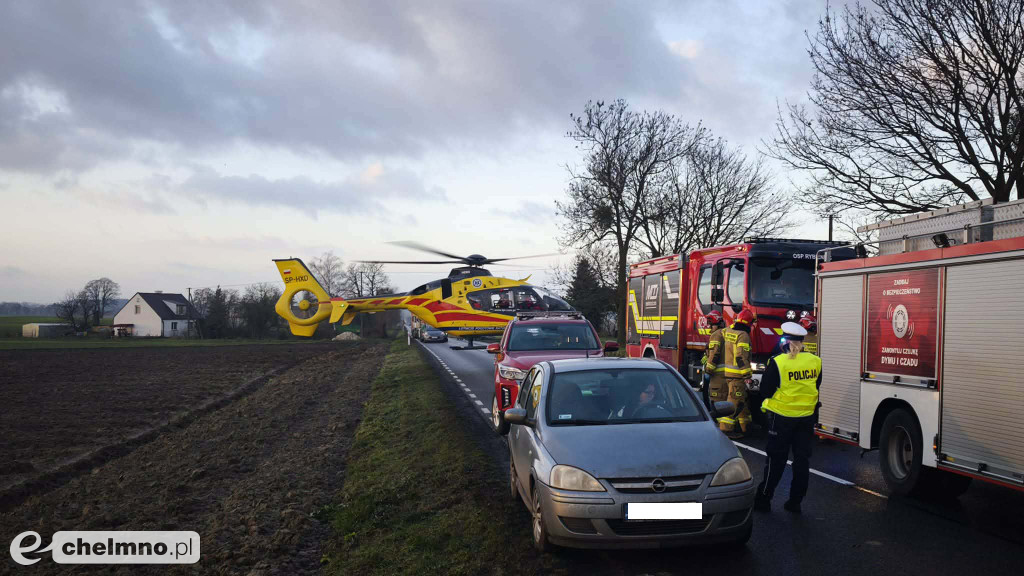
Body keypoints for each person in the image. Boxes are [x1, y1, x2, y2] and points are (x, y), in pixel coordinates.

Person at [754, 322, 822, 514]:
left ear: (784, 341)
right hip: (806, 418)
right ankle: (795, 502)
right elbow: (816, 385)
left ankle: (764, 500)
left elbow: (765, 390)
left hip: (782, 418)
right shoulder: (815, 361)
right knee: (802, 461)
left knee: (776, 460)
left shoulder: (778, 362)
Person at [719, 309, 755, 438]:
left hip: (724, 373)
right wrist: (747, 375)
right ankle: (726, 429)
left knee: (741, 400)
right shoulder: (743, 335)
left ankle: (746, 426)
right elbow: (741, 357)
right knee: (734, 402)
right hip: (737, 375)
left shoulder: (727, 331)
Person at [701, 311, 727, 410]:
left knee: (715, 400)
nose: (709, 327)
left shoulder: (716, 335)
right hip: (724, 374)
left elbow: (715, 353)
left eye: (711, 325)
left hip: (717, 374)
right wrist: (706, 356)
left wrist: (708, 370)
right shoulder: (724, 333)